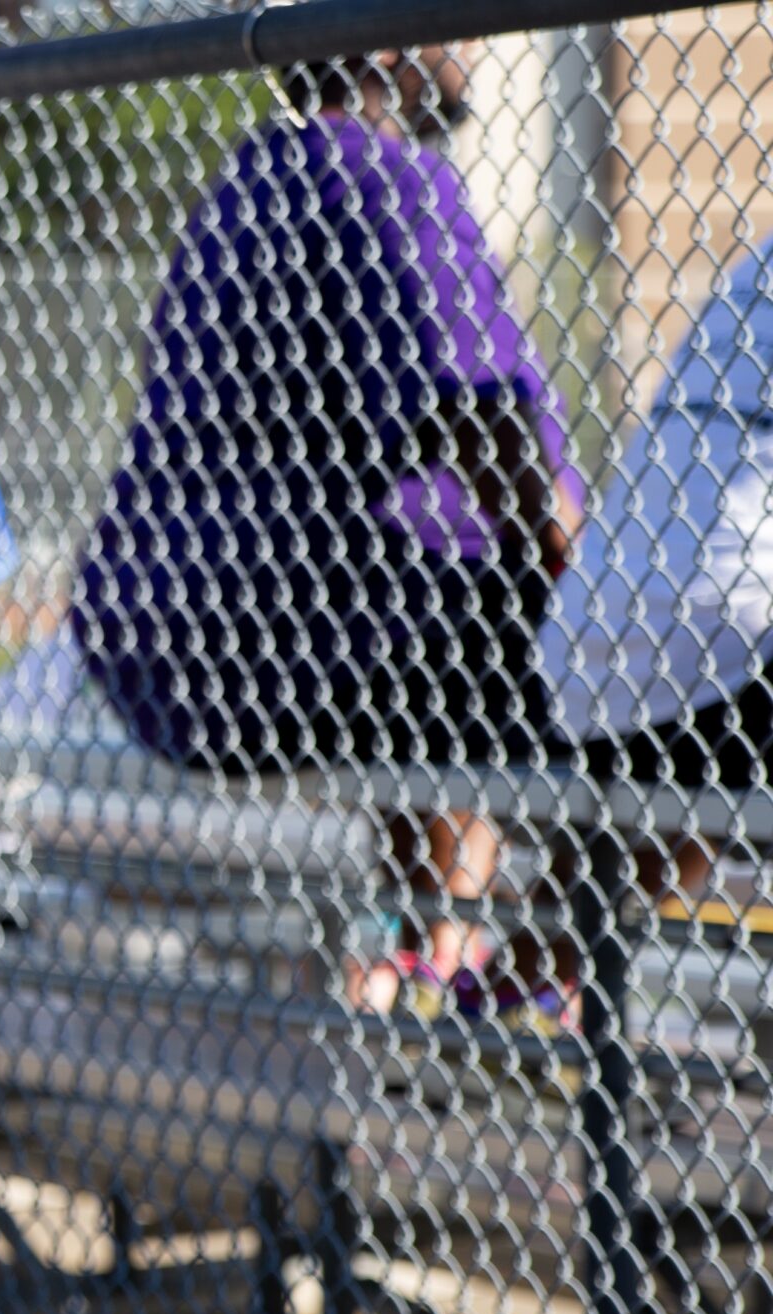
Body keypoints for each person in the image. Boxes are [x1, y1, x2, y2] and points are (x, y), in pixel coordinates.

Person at [73, 43, 584, 1015]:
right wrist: (588, 567)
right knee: (605, 616)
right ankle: (516, 960)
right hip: (310, 638)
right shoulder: (393, 173)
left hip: (163, 633)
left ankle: (422, 947)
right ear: (390, 39)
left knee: (435, 563)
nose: (473, 48)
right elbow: (484, 417)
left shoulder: (248, 173)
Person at [523, 235, 773, 996]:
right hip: (718, 650)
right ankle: (532, 991)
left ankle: (516, 993)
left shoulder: (754, 261)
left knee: (600, 881)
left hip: (585, 646)